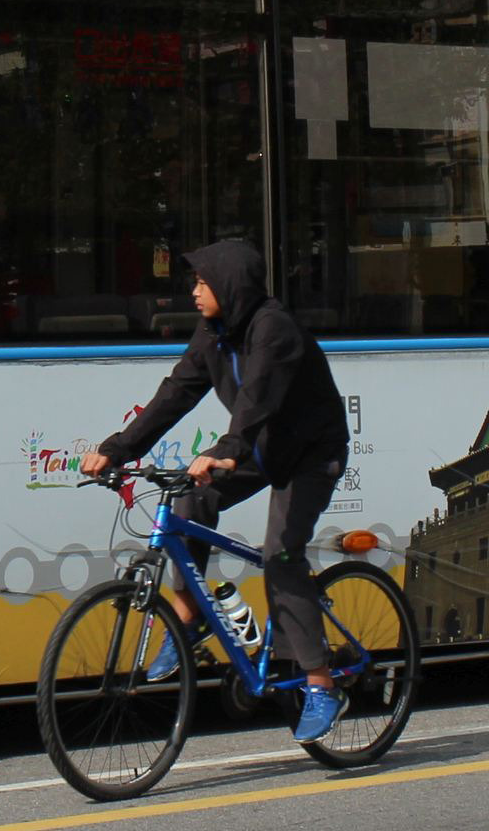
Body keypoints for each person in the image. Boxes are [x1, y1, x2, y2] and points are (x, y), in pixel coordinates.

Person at [79, 238, 353, 742]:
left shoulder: (275, 329)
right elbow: (177, 392)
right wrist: (117, 449)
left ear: (230, 284)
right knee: (190, 497)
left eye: (203, 282)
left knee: (280, 555)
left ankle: (320, 685)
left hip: (310, 454)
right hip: (258, 448)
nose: (194, 292)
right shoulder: (214, 333)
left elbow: (257, 398)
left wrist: (228, 449)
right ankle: (188, 619)